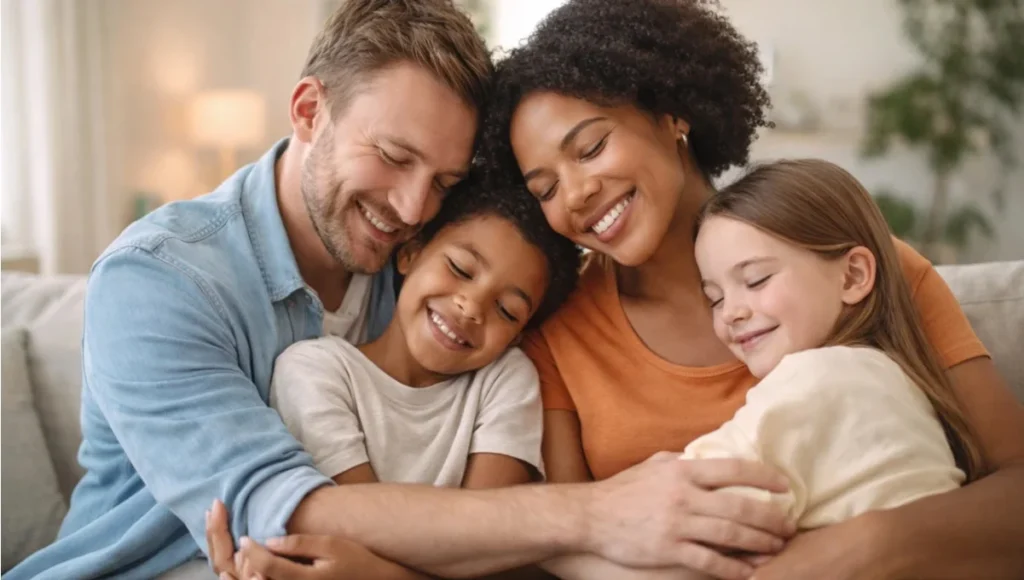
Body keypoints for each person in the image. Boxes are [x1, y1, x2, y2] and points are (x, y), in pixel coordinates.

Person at [9, 1, 796, 579]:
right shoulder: (161, 279)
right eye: (392, 156)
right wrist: (600, 513)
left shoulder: (426, 272)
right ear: (310, 111)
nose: (411, 206)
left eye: (444, 181)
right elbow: (290, 509)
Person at [476, 0, 1024, 577]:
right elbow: (569, 544)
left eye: (590, 148)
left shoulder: (855, 266)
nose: (576, 193)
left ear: (672, 116)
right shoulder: (558, 336)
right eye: (544, 189)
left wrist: (863, 549)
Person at [684, 159, 980, 532]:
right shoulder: (893, 380)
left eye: (756, 280)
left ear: (853, 275)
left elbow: (686, 505)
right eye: (715, 298)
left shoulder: (815, 381)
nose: (730, 313)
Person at [270, 177, 580, 490]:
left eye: (507, 310)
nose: (472, 307)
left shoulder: (505, 379)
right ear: (410, 254)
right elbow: (357, 517)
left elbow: (487, 527)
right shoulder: (314, 371)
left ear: (516, 336)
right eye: (460, 269)